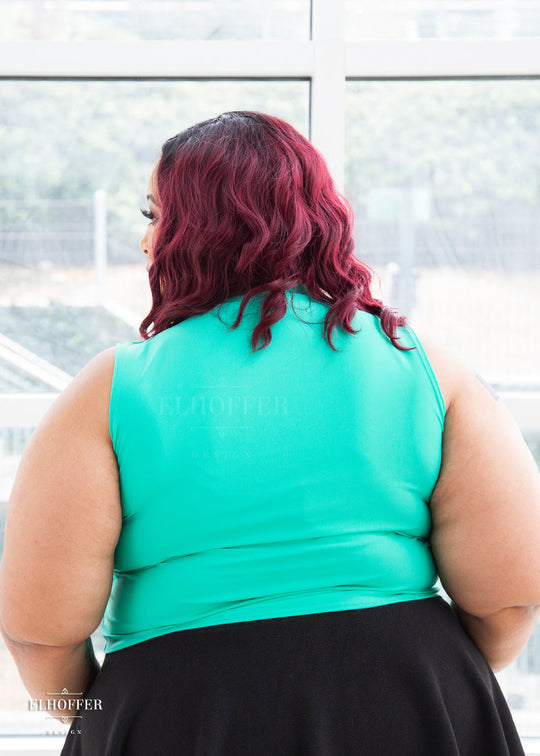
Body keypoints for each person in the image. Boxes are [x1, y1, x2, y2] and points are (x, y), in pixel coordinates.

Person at [1, 111, 539, 756]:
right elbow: (512, 598)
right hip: (412, 696)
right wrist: (428, 679)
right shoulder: (425, 368)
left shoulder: (111, 389)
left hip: (177, 704)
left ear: (194, 231)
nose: (145, 243)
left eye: (153, 217)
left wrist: (105, 712)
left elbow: (40, 631)